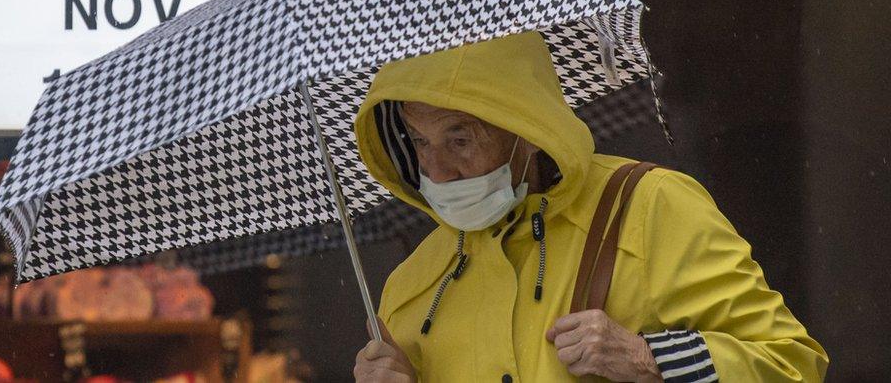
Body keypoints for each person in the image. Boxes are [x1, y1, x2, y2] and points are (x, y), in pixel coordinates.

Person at [350, 32, 827, 382]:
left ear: (529, 131)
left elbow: (791, 365)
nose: (436, 170)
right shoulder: (408, 287)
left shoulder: (649, 207)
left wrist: (648, 359)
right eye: (419, 141)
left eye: (460, 138)